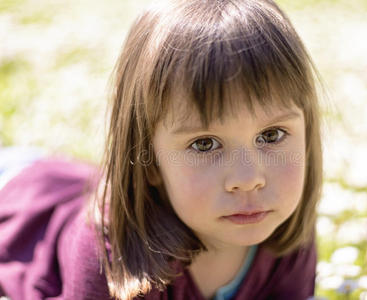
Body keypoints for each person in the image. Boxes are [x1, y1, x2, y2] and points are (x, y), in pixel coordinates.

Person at [0, 0, 324, 299]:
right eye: (205, 143)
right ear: (148, 159)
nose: (248, 178)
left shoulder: (287, 238)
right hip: (18, 193)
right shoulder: (113, 257)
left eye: (271, 135)